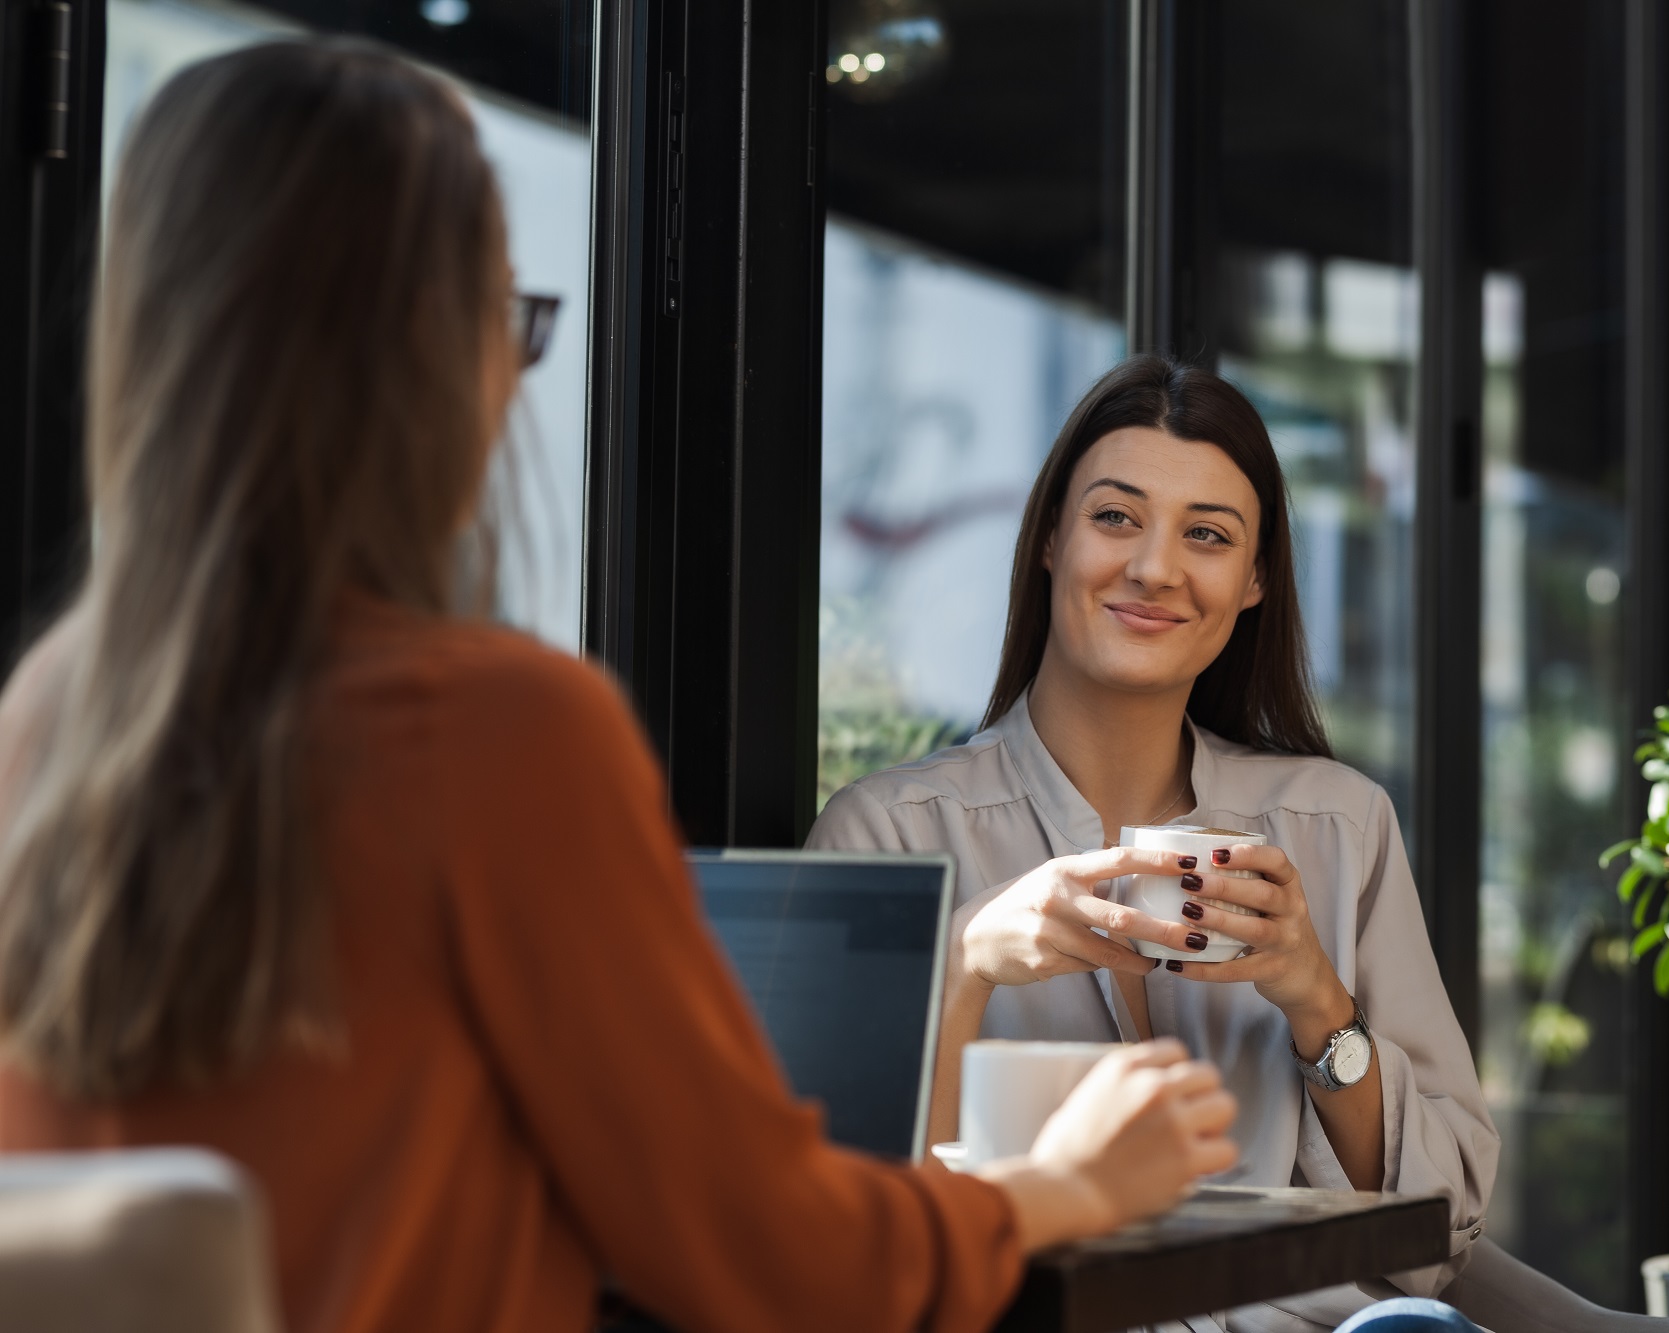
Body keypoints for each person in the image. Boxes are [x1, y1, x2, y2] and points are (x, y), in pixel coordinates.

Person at [0, 41, 1240, 1333]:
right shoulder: (494, 735)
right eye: (508, 320)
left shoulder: (47, 718)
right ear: (424, 364)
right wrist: (1067, 1185)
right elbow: (778, 1257)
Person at [810, 355, 1500, 1331]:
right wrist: (962, 963)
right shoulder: (886, 835)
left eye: (1207, 535)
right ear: (1050, 536)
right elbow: (829, 1230)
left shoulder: (1338, 827)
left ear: (1254, 579)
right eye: (1114, 516)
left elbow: (1449, 1227)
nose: (1153, 567)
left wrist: (1316, 1002)